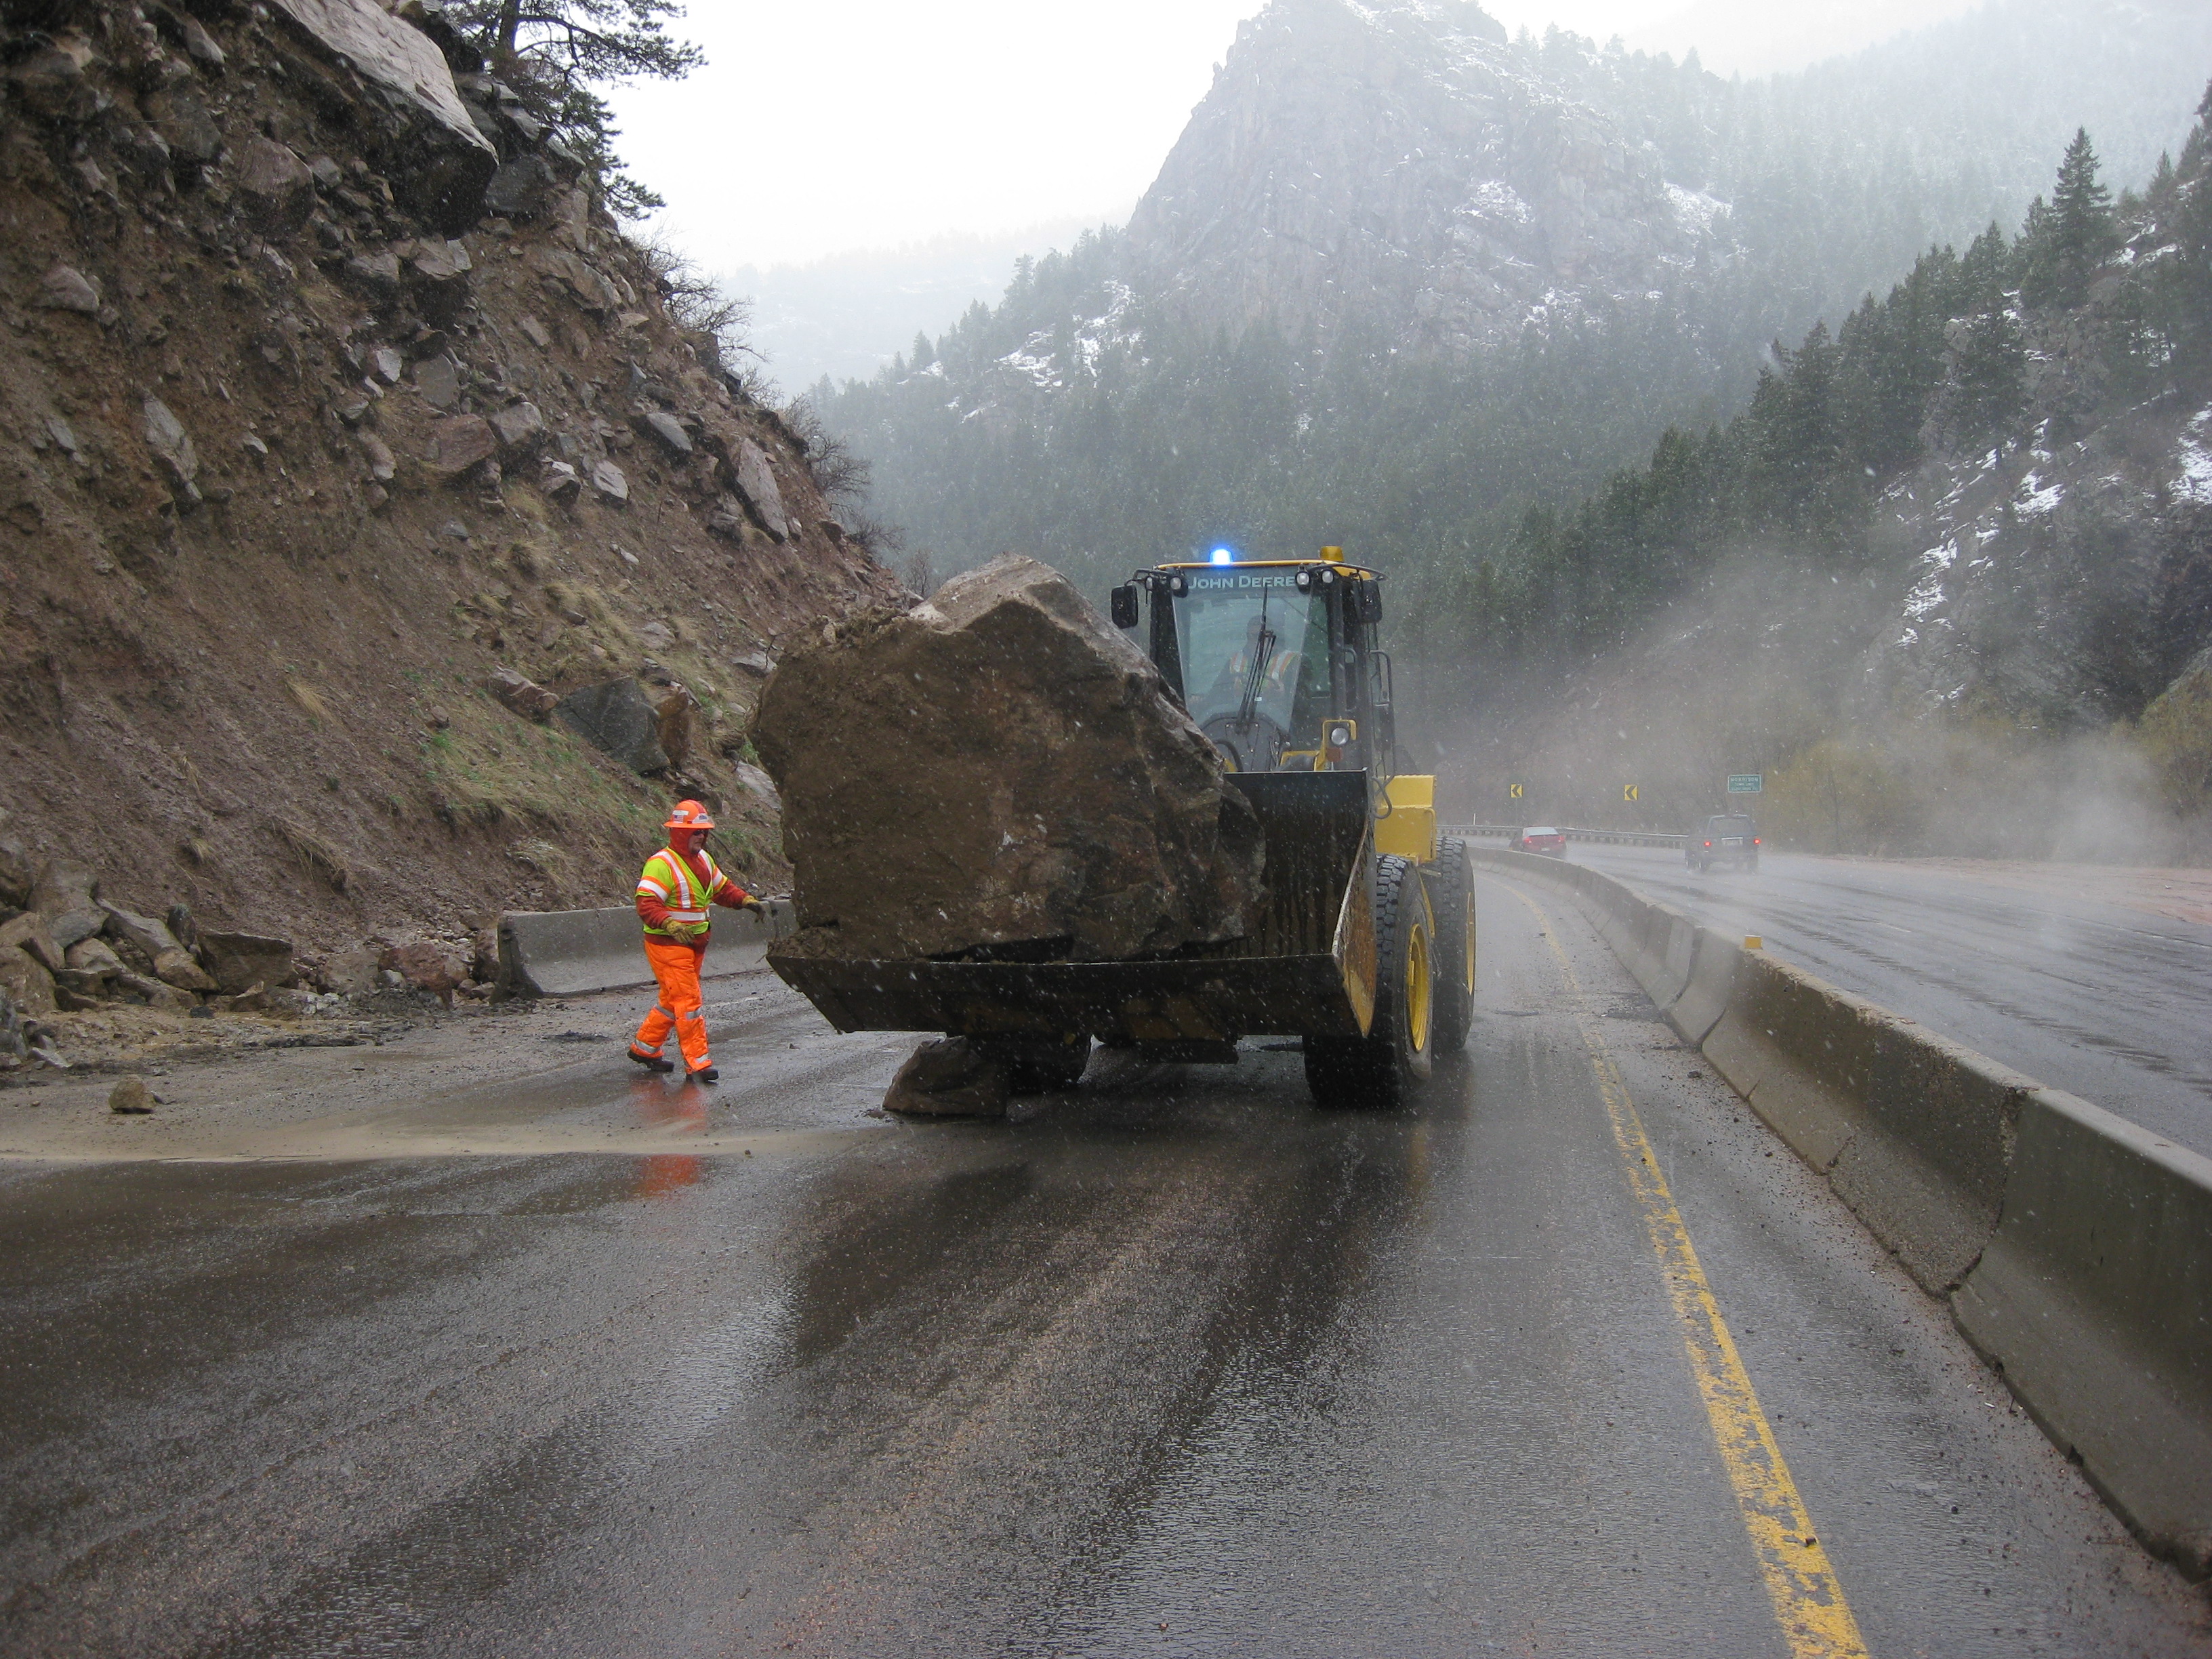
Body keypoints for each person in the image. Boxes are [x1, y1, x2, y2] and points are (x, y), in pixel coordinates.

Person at [628, 800, 762, 1082]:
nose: (701, 837)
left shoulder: (703, 860)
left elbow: (722, 889)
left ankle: (645, 1047)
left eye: (704, 832)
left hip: (694, 944)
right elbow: (646, 903)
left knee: (671, 1000)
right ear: (679, 832)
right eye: (696, 832)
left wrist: (744, 900)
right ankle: (698, 1064)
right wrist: (669, 924)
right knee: (688, 1003)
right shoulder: (661, 864)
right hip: (668, 946)